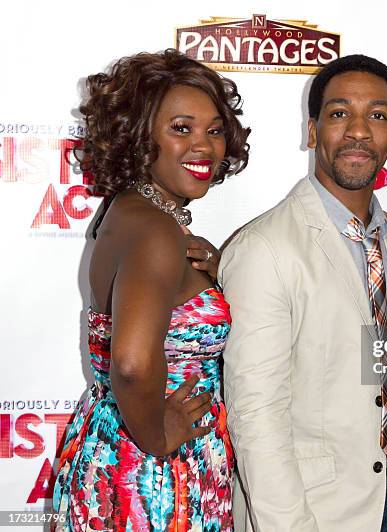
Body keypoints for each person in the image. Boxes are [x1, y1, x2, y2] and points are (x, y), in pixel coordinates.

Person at [218, 55, 387, 532]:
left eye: (377, 115)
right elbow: (256, 416)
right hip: (305, 514)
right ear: (312, 131)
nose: (358, 131)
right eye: (338, 113)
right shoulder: (265, 248)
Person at [53, 49, 250, 531]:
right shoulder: (157, 232)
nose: (204, 146)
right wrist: (159, 438)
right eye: (181, 128)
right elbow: (133, 362)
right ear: (140, 137)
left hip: (114, 446)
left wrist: (216, 276)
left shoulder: (127, 213)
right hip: (154, 476)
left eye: (215, 129)